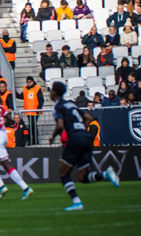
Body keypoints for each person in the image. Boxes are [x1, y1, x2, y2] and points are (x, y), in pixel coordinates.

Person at [48, 82, 120, 211]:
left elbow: (60, 125)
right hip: (86, 138)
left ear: (54, 93)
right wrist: (82, 129)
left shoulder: (57, 106)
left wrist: (52, 137)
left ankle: (76, 202)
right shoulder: (71, 104)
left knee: (63, 174)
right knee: (83, 177)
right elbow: (88, 117)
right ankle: (105, 174)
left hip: (75, 139)